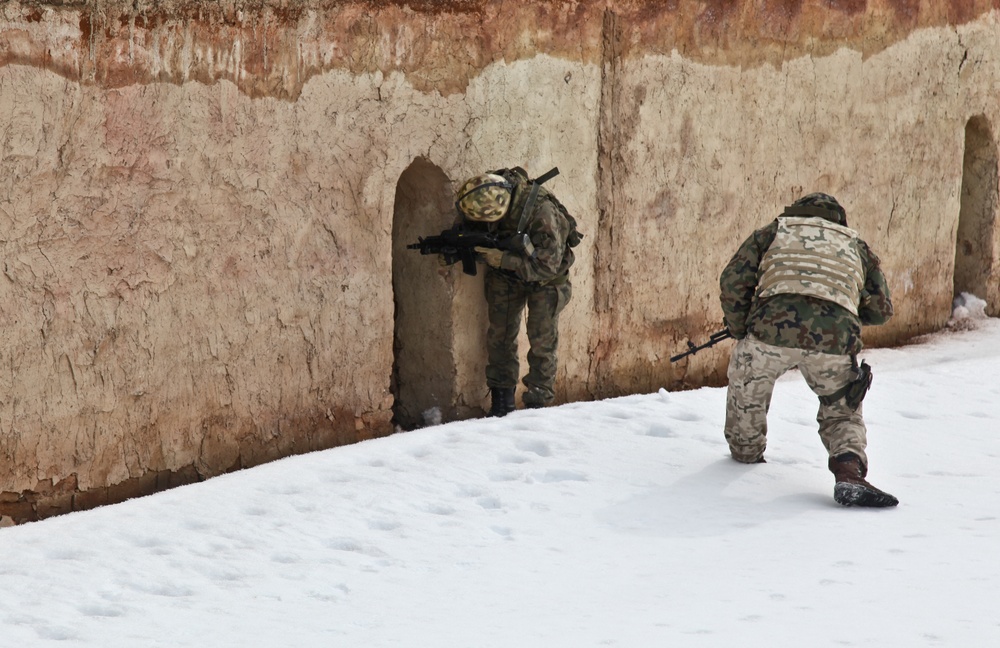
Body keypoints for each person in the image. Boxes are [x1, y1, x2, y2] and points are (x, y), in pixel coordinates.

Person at [718, 192, 898, 507]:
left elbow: (734, 281)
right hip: (834, 340)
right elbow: (881, 309)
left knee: (748, 387)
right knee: (842, 409)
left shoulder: (773, 231)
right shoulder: (856, 245)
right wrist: (841, 317)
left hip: (768, 333)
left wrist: (740, 327)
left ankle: (745, 457)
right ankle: (849, 473)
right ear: (838, 220)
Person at [451, 167, 581, 416]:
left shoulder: (541, 214)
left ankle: (537, 405)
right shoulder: (482, 196)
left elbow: (547, 267)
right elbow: (469, 229)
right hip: (506, 278)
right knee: (500, 337)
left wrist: (503, 260)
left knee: (542, 342)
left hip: (547, 281)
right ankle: (502, 403)